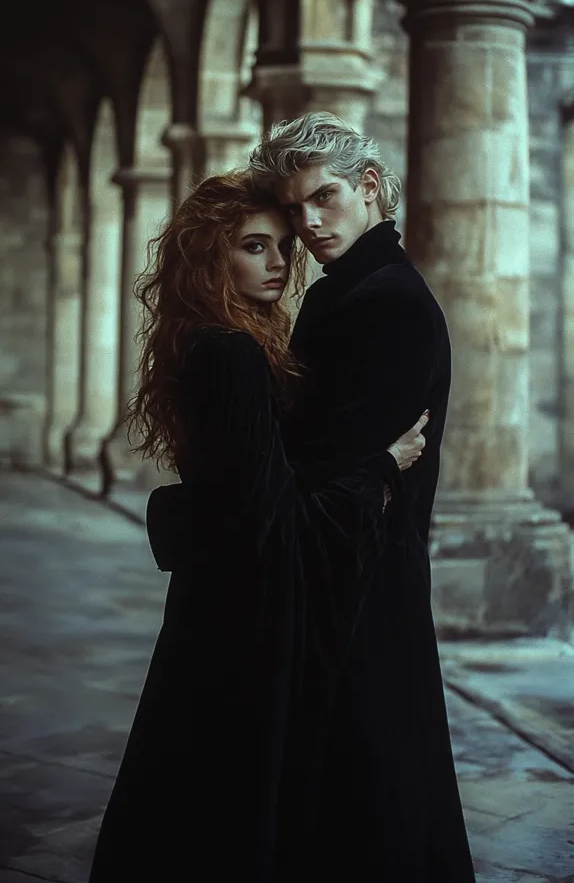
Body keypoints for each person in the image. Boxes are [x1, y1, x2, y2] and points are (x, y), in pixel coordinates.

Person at [141, 114, 477, 881]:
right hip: (331, 565)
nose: (309, 223)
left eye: (324, 197)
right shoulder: (340, 295)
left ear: (368, 186)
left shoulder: (387, 299)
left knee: (373, 800)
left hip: (363, 579)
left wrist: (211, 509)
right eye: (293, 210)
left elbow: (323, 470)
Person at [88, 169, 428, 882]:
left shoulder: (211, 341)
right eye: (254, 246)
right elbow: (272, 521)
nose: (279, 261)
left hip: (212, 609)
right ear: (214, 257)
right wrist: (381, 468)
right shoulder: (233, 354)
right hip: (239, 623)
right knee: (223, 804)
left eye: (281, 246)